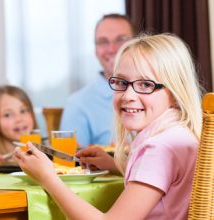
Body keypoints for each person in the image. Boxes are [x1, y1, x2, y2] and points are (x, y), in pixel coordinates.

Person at [14, 33, 202, 219]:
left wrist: (48, 178)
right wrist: (114, 164)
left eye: (145, 84)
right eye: (121, 82)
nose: (128, 96)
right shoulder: (179, 134)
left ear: (175, 92)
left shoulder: (159, 147)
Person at [60, 14, 135, 148]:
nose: (112, 49)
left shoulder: (159, 93)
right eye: (103, 42)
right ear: (95, 50)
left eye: (120, 40)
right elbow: (69, 163)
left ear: (137, 44)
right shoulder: (77, 104)